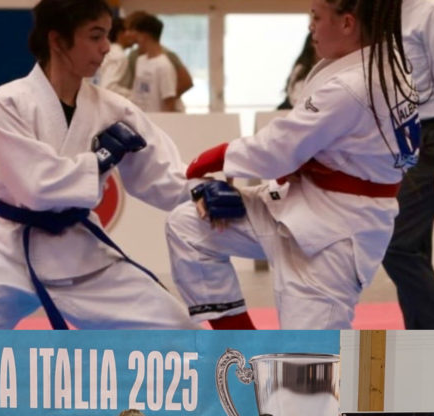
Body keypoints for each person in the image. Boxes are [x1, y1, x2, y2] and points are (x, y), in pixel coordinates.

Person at [0, 0, 194, 330]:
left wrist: (203, 191)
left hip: (79, 250)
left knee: (179, 329)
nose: (106, 47)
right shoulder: (8, 102)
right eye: (95, 36)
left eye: (107, 36)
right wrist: (99, 161)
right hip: (8, 253)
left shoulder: (115, 109)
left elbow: (162, 174)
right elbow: (36, 188)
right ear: (58, 40)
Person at [168, 0, 419, 330]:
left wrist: (220, 156)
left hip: (333, 237)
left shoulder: (354, 85)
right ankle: (241, 348)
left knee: (306, 362)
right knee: (188, 226)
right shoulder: (381, 65)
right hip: (295, 204)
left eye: (316, 17)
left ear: (347, 23)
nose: (310, 26)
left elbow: (280, 149)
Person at [382, 0, 434, 329]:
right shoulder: (390, 15)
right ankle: (422, 341)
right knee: (414, 246)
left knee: (396, 243)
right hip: (408, 139)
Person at [118, 11, 194, 99]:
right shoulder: (133, 56)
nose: (127, 34)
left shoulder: (167, 55)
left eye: (131, 30)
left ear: (144, 32)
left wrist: (164, 99)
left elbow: (187, 82)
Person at [128, 13, 180, 113]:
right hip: (139, 117)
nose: (134, 38)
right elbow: (136, 94)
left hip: (156, 119)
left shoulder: (164, 65)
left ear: (144, 35)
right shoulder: (140, 60)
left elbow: (169, 103)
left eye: (137, 33)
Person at [95, 14, 132, 95]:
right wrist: (133, 94)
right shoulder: (119, 56)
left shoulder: (110, 52)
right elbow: (109, 87)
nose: (132, 35)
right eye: (129, 30)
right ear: (120, 34)